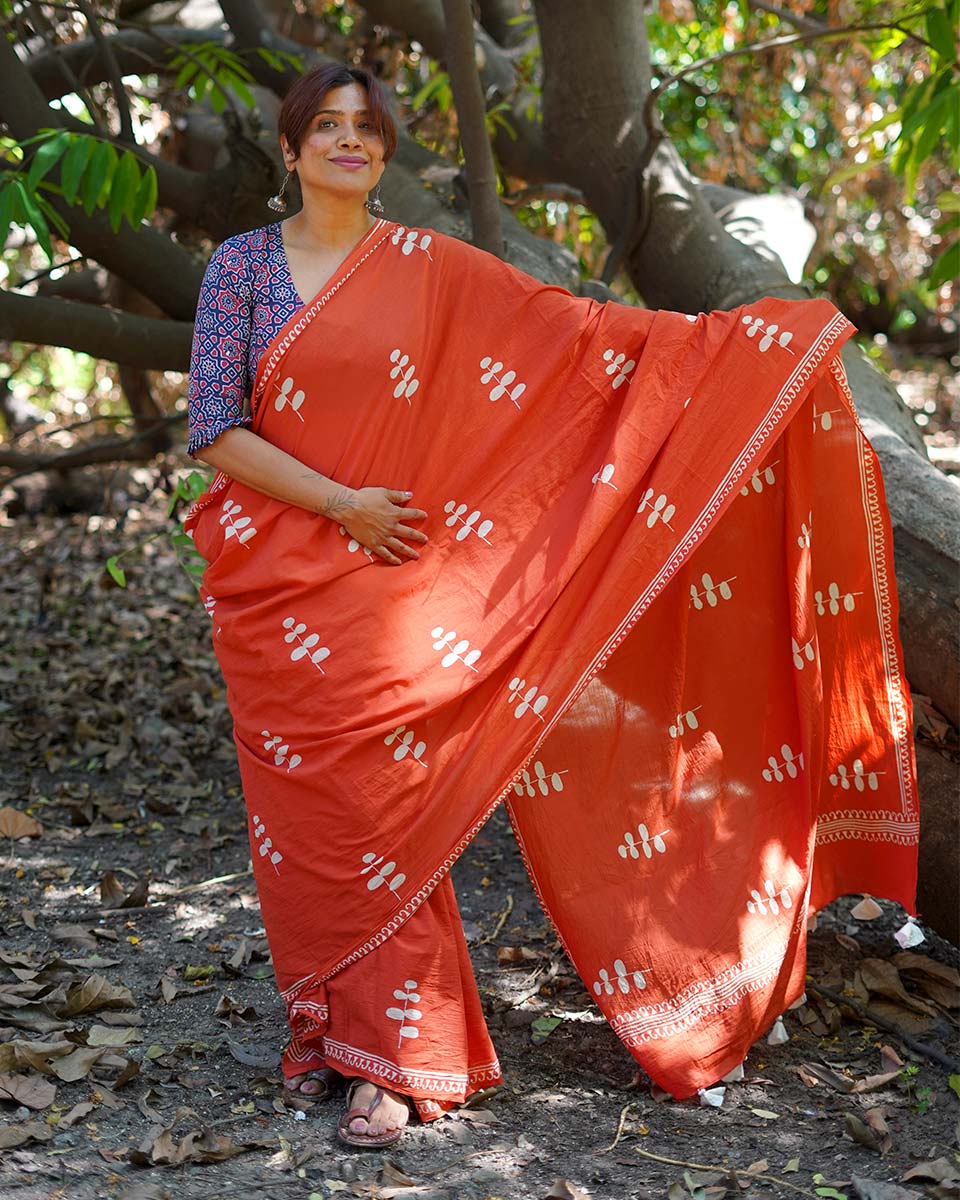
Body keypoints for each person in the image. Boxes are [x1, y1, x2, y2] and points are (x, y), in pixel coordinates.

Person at [185, 63, 919, 1150]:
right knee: (304, 824)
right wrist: (342, 504)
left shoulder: (431, 267)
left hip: (390, 583)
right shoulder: (242, 269)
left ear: (384, 153)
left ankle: (398, 1054)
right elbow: (214, 427)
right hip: (277, 578)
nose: (348, 141)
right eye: (325, 127)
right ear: (289, 150)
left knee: (384, 816)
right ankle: (331, 1031)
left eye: (367, 128)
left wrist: (735, 354)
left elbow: (573, 340)